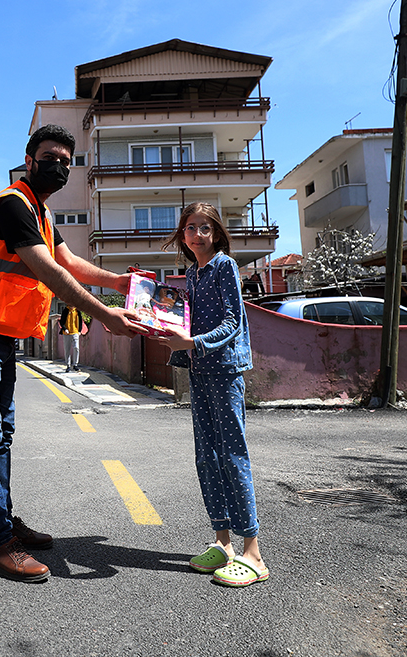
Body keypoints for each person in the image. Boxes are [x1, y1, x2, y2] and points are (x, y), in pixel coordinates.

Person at [0, 124, 147, 582]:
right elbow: (50, 273)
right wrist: (106, 314)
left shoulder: (42, 214)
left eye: (66, 161)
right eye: (50, 156)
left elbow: (68, 262)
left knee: (3, 433)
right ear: (29, 161)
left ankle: (3, 521)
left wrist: (118, 283)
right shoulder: (11, 205)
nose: (59, 166)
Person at [155, 202, 269, 588]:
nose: (196, 234)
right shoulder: (192, 273)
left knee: (232, 454)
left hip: (224, 371)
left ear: (216, 233)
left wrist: (193, 342)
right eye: (189, 228)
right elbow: (188, 323)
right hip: (200, 372)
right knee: (207, 456)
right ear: (182, 235)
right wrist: (167, 333)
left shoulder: (225, 266)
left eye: (204, 228)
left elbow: (232, 323)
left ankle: (252, 551)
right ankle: (223, 544)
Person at [59, 304, 82, 371]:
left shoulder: (77, 311)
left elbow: (80, 321)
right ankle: (68, 365)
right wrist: (65, 329)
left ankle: (75, 364)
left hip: (75, 332)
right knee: (67, 349)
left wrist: (79, 330)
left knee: (76, 348)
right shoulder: (65, 310)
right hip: (67, 333)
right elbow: (62, 321)